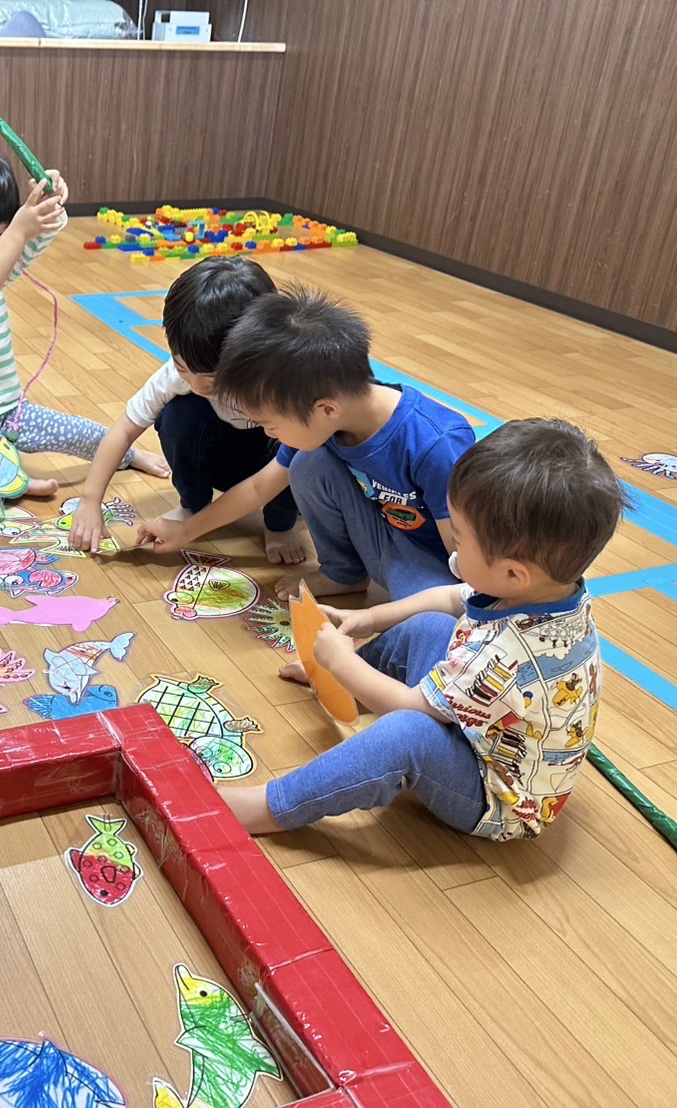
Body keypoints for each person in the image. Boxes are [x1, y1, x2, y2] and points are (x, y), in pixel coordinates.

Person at [223, 419, 625, 842]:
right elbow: (450, 598)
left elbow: (408, 708)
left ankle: (273, 806)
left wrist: (340, 661)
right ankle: (343, 678)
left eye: (461, 540)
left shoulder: (503, 658)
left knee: (407, 735)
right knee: (430, 625)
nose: (453, 548)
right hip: (481, 728)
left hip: (496, 799)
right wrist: (372, 618)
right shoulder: (545, 591)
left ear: (512, 573)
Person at [136, 283, 475, 602]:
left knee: (431, 623)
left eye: (271, 425)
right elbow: (258, 488)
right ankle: (344, 574)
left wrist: (385, 617)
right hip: (387, 537)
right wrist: (186, 531)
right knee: (308, 463)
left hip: (440, 564)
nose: (268, 435)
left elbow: (468, 567)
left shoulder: (435, 444)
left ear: (325, 409)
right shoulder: (328, 419)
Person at [0, 145, 166, 509]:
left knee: (80, 433)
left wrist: (49, 204)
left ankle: (128, 455)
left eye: (0, 237)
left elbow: (30, 242)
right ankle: (10, 481)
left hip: (8, 413)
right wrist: (15, 233)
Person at [68, 257, 305, 563]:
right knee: (177, 414)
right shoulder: (182, 374)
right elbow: (124, 430)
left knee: (300, 446)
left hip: (277, 469)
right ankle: (194, 505)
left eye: (212, 379)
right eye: (183, 368)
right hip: (223, 460)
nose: (196, 384)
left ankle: (281, 522)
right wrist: (89, 501)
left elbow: (278, 473)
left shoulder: (284, 384)